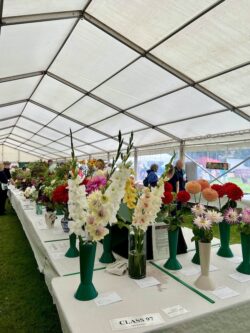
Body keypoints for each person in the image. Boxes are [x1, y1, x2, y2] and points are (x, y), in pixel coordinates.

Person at [167, 160, 188, 254]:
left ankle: (178, 219)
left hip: (181, 192)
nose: (181, 165)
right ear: (177, 164)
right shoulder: (173, 171)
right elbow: (175, 183)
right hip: (174, 193)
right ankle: (174, 220)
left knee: (178, 210)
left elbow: (184, 180)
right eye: (180, 164)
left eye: (182, 164)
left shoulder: (183, 171)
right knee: (174, 210)